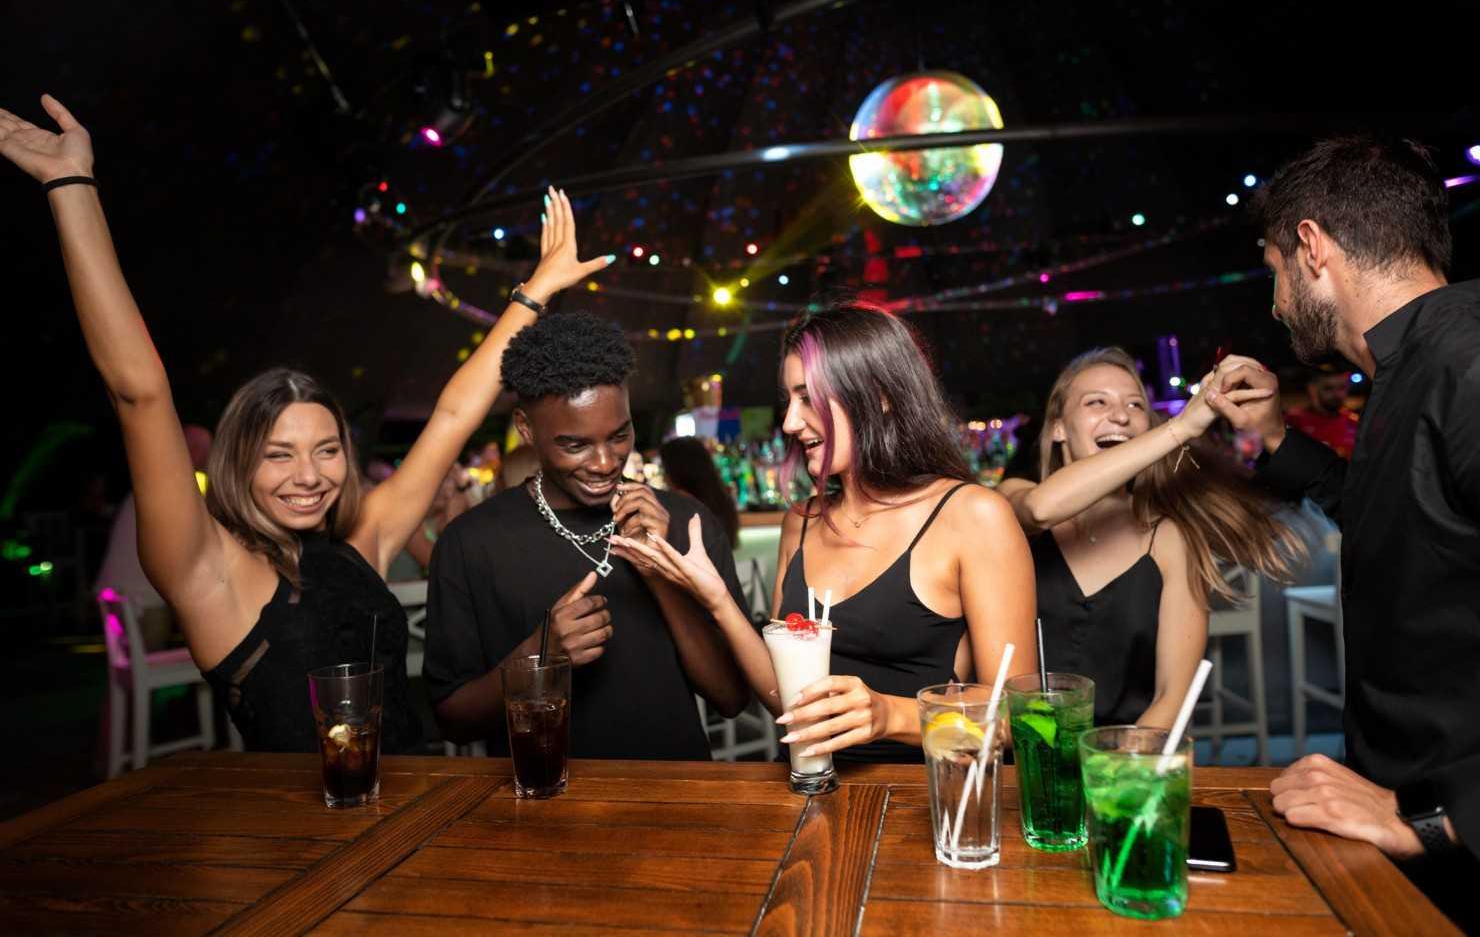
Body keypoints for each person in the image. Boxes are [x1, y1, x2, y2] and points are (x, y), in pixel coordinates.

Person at [0, 94, 612, 754]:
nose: (309, 475)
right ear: (238, 464)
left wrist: (536, 292)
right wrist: (71, 184)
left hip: (420, 798)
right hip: (310, 819)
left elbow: (455, 413)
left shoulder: (361, 543)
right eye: (279, 454)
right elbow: (139, 393)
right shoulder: (208, 570)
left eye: (326, 450)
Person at [1205, 135, 1480, 931]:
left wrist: (1442, 820)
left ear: (1312, 248)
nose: (1275, 304)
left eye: (1273, 270)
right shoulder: (1415, 368)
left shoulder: (1477, 369)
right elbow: (1402, 519)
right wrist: (1276, 435)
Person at [609, 301, 1036, 763]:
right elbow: (788, 704)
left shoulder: (973, 517)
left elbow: (1018, 718)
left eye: (808, 397)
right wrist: (717, 599)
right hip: (804, 786)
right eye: (789, 400)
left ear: (880, 394)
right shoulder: (802, 521)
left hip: (912, 793)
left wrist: (888, 715)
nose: (790, 422)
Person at [423, 312, 749, 760]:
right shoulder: (470, 542)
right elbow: (453, 720)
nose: (604, 463)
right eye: (575, 445)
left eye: (619, 435)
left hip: (676, 788)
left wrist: (657, 571)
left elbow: (731, 698)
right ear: (526, 428)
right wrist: (541, 659)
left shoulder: (687, 521)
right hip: (542, 792)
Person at [999, 348, 1299, 727]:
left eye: (1135, 405)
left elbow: (1171, 697)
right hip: (1026, 748)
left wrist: (1118, 761)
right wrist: (1181, 427)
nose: (1121, 416)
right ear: (1058, 428)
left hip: (1129, 752)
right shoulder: (1014, 496)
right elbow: (1041, 509)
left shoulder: (1168, 536)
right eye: (1096, 402)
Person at [94, 424, 213, 651]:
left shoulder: (151, 481)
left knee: (136, 666)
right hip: (140, 601)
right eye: (208, 450)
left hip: (114, 596)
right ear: (195, 452)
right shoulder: (177, 487)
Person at [658, 436, 740, 548]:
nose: (664, 478)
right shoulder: (721, 500)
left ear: (677, 471)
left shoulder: (680, 506)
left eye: (665, 470)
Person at [1283, 365, 1359, 459]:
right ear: (1312, 389)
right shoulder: (1293, 421)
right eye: (1328, 388)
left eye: (1342, 387)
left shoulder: (1354, 423)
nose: (1337, 394)